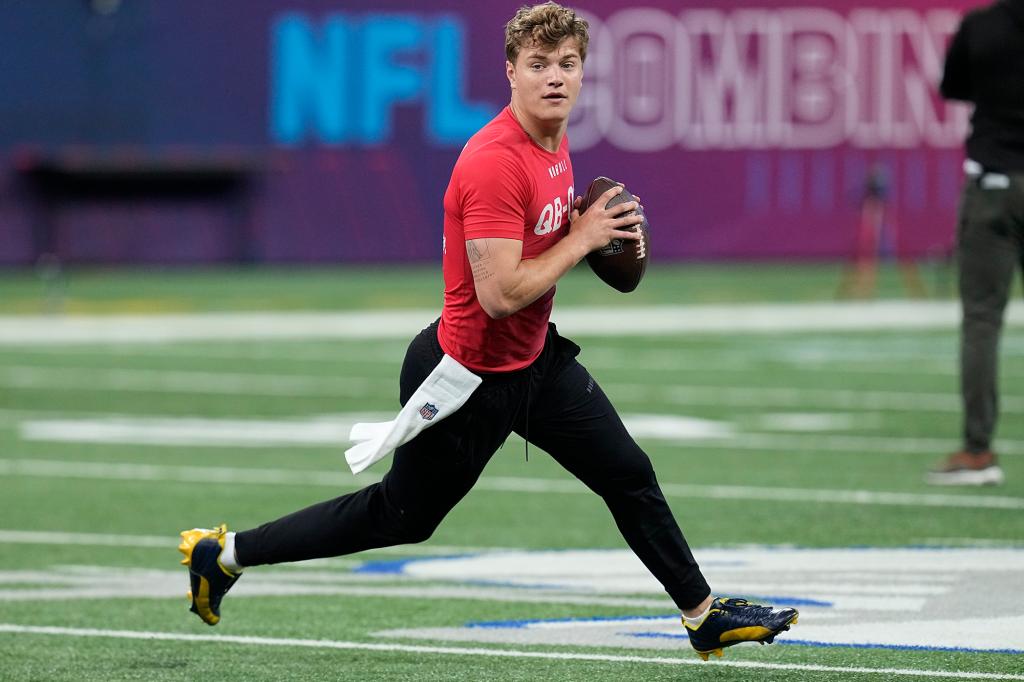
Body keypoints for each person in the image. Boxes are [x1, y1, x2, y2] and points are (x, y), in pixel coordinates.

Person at [177, 2, 798, 659]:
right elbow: (499, 294)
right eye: (538, 65)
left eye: (566, 64)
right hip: (467, 375)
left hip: (532, 362)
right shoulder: (493, 160)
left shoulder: (555, 142)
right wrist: (584, 238)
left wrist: (586, 232)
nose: (553, 77)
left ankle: (701, 613)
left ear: (584, 73)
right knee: (400, 518)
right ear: (511, 73)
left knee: (627, 471)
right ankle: (226, 555)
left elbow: (536, 257)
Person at [927, 0, 1024, 486]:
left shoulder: (982, 26)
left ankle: (978, 449)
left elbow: (953, 86)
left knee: (983, 321)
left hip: (995, 182)